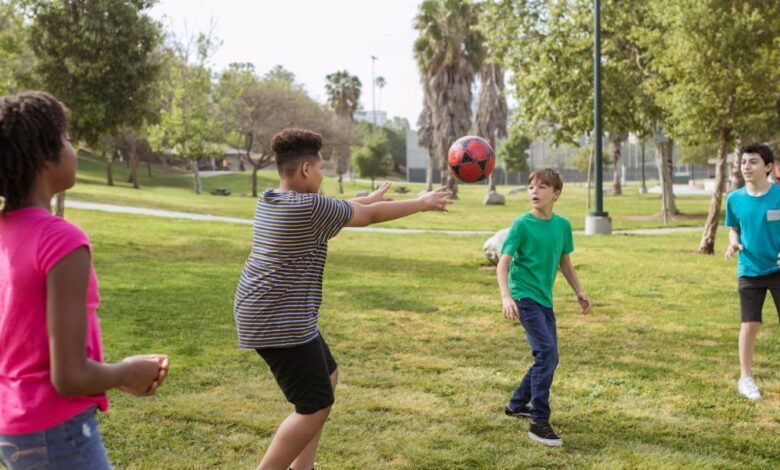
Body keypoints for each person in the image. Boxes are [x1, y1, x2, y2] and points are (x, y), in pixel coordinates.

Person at [233, 128, 452, 470]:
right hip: (279, 320)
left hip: (272, 312)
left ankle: (302, 467)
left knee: (328, 376)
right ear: (306, 169)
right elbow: (366, 217)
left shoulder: (272, 198)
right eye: (321, 169)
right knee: (314, 405)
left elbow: (346, 206)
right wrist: (422, 204)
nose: (323, 175)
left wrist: (373, 197)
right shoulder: (308, 208)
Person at [0, 91, 169, 469]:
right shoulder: (61, 240)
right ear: (45, 156)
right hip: (56, 432)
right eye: (67, 139)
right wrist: (130, 371)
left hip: (13, 426)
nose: (74, 148)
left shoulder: (6, 232)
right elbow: (70, 376)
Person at [496, 168, 591, 447]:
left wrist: (580, 292)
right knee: (546, 352)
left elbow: (565, 263)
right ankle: (539, 421)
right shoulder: (521, 224)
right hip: (524, 297)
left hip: (544, 299)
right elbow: (503, 263)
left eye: (542, 187)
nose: (534, 192)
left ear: (556, 194)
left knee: (549, 356)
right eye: (531, 187)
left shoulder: (562, 226)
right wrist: (506, 297)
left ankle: (516, 404)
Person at [724, 143, 780, 401]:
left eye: (753, 162)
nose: (746, 166)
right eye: (744, 161)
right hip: (749, 269)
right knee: (750, 323)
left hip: (778, 269)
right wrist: (733, 241)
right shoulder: (734, 199)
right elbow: (734, 227)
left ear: (768, 167)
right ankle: (746, 378)